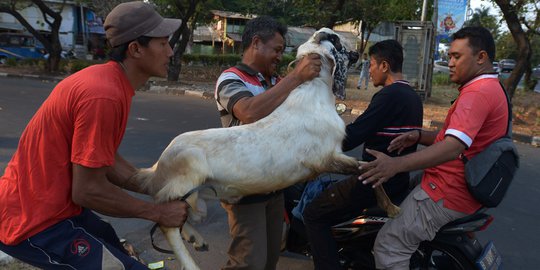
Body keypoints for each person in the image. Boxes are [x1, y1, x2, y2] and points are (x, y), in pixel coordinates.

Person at [0, 2, 189, 269]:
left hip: (57, 209)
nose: (170, 51)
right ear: (135, 49)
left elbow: (105, 158)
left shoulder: (109, 83)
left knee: (117, 246)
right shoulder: (104, 95)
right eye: (163, 44)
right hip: (33, 221)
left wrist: (157, 187)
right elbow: (88, 190)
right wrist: (157, 212)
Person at [360, 26, 507, 270]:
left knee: (389, 245)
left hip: (447, 190)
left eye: (457, 57)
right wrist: (419, 136)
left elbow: (452, 147)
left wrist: (394, 164)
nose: (450, 62)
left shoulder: (477, 93)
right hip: (461, 187)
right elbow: (460, 137)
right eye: (449, 56)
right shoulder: (493, 87)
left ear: (481, 58)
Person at [302, 39, 424, 270]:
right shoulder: (412, 96)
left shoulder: (389, 95)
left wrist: (317, 140)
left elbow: (352, 136)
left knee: (314, 214)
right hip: (397, 181)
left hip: (374, 181)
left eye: (372, 65)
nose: (369, 71)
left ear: (385, 66)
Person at [214, 16, 322, 270]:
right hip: (244, 186)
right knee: (248, 262)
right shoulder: (231, 79)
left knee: (269, 259)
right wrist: (295, 77)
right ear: (256, 43)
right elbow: (249, 112)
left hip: (274, 187)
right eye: (276, 50)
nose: (279, 57)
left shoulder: (273, 82)